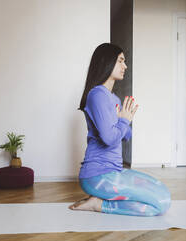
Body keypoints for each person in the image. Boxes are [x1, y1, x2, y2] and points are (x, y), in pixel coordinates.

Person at [69, 43, 171, 216]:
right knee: (160, 205)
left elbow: (126, 135)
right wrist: (123, 120)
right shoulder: (97, 95)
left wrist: (123, 120)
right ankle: (99, 205)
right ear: (106, 62)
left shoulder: (113, 97)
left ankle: (99, 199)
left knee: (164, 194)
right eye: (120, 61)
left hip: (114, 171)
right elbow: (110, 138)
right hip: (97, 176)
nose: (125, 66)